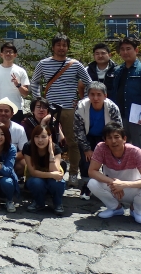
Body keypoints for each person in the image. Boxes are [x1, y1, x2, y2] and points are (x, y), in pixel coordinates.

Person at [30, 33, 92, 187]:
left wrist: (83, 100)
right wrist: (39, 100)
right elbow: (35, 82)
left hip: (70, 109)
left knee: (73, 142)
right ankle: (47, 171)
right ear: (53, 47)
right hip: (49, 109)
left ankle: (72, 174)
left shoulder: (75, 64)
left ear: (68, 47)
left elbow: (89, 83)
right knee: (46, 140)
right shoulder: (43, 63)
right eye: (58, 45)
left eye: (64, 45)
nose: (61, 48)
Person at [87, 123, 141, 225]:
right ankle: (115, 208)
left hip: (132, 188)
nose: (113, 141)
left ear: (124, 139)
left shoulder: (135, 151)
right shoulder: (101, 148)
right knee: (92, 183)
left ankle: (136, 211)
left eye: (116, 137)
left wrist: (124, 184)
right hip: (113, 188)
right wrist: (113, 182)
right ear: (105, 140)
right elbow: (92, 171)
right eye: (109, 138)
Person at [110, 37, 141, 164]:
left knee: (140, 150)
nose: (125, 52)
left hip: (139, 119)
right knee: (122, 150)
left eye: (128, 49)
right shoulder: (118, 71)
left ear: (136, 50)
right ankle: (128, 178)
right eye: (122, 49)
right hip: (120, 117)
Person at [74, 81, 123, 199]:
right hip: (88, 135)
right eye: (92, 94)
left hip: (106, 136)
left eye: (99, 94)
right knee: (86, 162)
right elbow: (78, 130)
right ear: (88, 95)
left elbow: (118, 128)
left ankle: (111, 185)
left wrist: (112, 143)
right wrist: (86, 149)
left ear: (105, 96)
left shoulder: (112, 107)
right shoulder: (81, 107)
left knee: (110, 160)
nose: (95, 98)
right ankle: (87, 186)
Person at [24, 125, 66, 214]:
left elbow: (55, 171)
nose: (40, 140)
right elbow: (33, 172)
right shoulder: (28, 147)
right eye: (37, 137)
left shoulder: (56, 149)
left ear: (49, 137)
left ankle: (58, 203)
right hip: (35, 178)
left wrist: (51, 153)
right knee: (36, 182)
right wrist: (51, 175)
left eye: (43, 137)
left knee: (58, 182)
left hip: (52, 178)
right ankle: (39, 203)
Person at [0, 42, 30, 122]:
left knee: (15, 133)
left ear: (15, 55)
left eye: (10, 52)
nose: (8, 54)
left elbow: (26, 93)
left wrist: (18, 85)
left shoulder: (21, 71)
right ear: (1, 54)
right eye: (6, 51)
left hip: (16, 109)